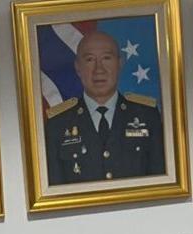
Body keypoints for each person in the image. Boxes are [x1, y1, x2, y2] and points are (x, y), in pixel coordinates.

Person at [44, 30, 165, 185]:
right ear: (78, 67)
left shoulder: (147, 116)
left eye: (106, 58)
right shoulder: (57, 124)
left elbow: (160, 183)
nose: (99, 69)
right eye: (89, 60)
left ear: (120, 63)